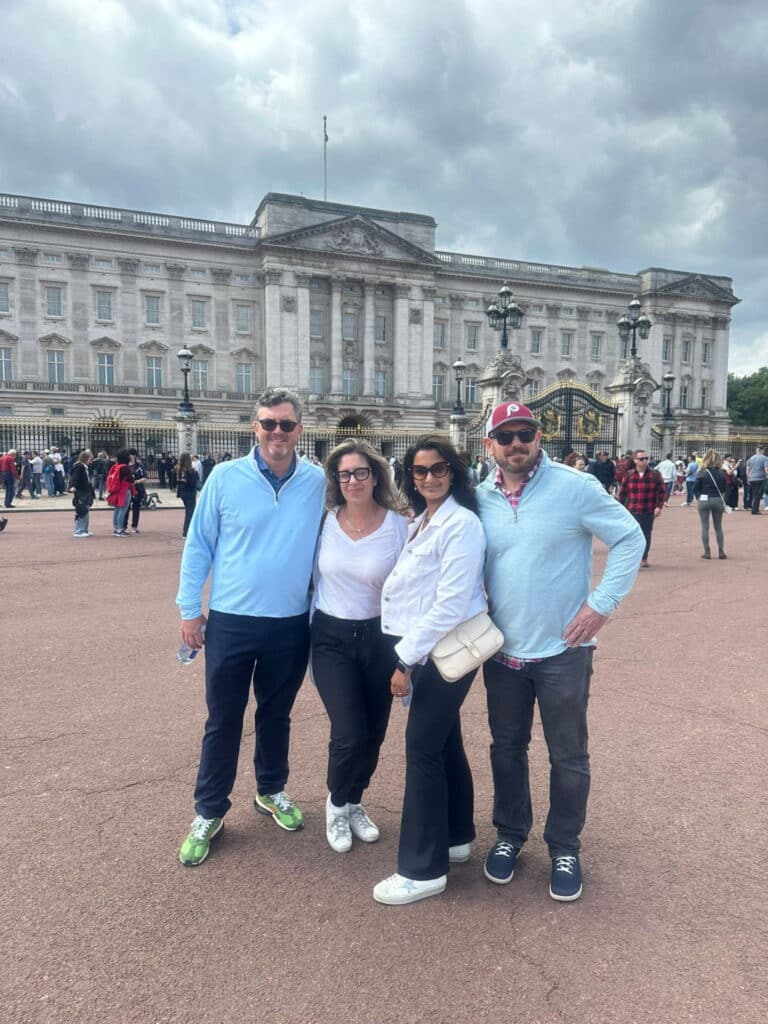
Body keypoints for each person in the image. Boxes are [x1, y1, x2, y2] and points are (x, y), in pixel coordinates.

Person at [476, 402, 644, 902]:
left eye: (524, 433)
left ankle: (565, 845)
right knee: (506, 748)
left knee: (567, 755)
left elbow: (629, 537)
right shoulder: (477, 496)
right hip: (502, 650)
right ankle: (510, 833)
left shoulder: (576, 488)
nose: (516, 444)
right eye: (505, 436)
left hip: (563, 649)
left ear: (539, 436)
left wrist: (601, 604)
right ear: (490, 445)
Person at [176, 387, 325, 867]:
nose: (277, 432)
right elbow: (199, 544)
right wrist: (188, 608)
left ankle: (271, 789)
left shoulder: (318, 481)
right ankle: (209, 810)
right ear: (254, 428)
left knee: (276, 714)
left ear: (299, 429)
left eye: (286, 424)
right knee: (223, 718)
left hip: (289, 622)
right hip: (233, 620)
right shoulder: (224, 477)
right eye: (268, 423)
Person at [373, 435, 487, 906]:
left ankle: (423, 868)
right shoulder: (424, 519)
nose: (429, 478)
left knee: (421, 749)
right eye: (420, 471)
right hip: (431, 649)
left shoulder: (461, 524)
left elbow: (450, 604)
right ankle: (457, 836)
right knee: (445, 742)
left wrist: (405, 660)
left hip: (438, 651)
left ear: (453, 471)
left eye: (438, 469)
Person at [311, 439, 409, 853]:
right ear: (336, 480)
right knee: (349, 732)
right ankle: (335, 804)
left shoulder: (400, 525)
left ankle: (354, 800)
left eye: (360, 472)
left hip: (381, 638)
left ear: (375, 476)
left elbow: (411, 590)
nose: (352, 480)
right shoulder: (323, 522)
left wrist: (406, 657)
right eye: (344, 474)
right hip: (331, 636)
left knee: (374, 733)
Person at [618, 449, 666, 568]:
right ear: (635, 461)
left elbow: (662, 492)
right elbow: (623, 493)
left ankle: (643, 557)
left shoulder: (655, 474)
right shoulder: (629, 475)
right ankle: (633, 558)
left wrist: (659, 507)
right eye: (641, 459)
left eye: (646, 458)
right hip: (632, 509)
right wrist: (620, 508)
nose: (644, 461)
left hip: (648, 509)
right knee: (631, 535)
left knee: (646, 534)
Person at [692, 450, 728, 559]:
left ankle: (707, 552)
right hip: (717, 499)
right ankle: (721, 551)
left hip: (704, 499)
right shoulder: (722, 473)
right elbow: (726, 489)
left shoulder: (702, 472)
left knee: (705, 527)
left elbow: (695, 488)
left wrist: (699, 497)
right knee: (718, 527)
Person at [107, 449, 136, 536]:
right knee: (123, 510)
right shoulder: (125, 468)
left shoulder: (116, 466)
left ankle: (116, 527)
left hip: (117, 490)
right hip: (124, 491)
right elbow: (132, 480)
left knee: (117, 509)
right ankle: (120, 529)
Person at [69, 449, 95, 537]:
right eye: (90, 459)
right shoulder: (79, 467)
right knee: (82, 511)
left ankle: (84, 529)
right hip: (81, 492)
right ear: (85, 459)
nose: (90, 462)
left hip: (85, 491)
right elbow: (74, 478)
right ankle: (79, 531)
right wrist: (71, 486)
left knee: (85, 510)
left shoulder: (83, 466)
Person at [175, 452, 199, 539]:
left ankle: (189, 531)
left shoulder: (178, 470)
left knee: (189, 512)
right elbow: (193, 484)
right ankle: (186, 532)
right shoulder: (191, 471)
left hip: (182, 493)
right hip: (190, 493)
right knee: (190, 513)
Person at [127, 449, 147, 534]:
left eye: (131, 455)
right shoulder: (125, 465)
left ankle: (134, 526)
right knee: (126, 508)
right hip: (127, 489)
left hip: (138, 489)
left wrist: (136, 482)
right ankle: (124, 525)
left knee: (136, 508)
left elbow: (144, 477)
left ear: (134, 456)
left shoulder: (139, 466)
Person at [745, 445, 768, 515]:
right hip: (760, 478)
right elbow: (766, 468)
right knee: (758, 494)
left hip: (752, 478)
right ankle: (755, 510)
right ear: (762, 450)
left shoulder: (751, 458)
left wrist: (748, 478)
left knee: (755, 494)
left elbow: (747, 469)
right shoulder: (765, 458)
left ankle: (755, 509)